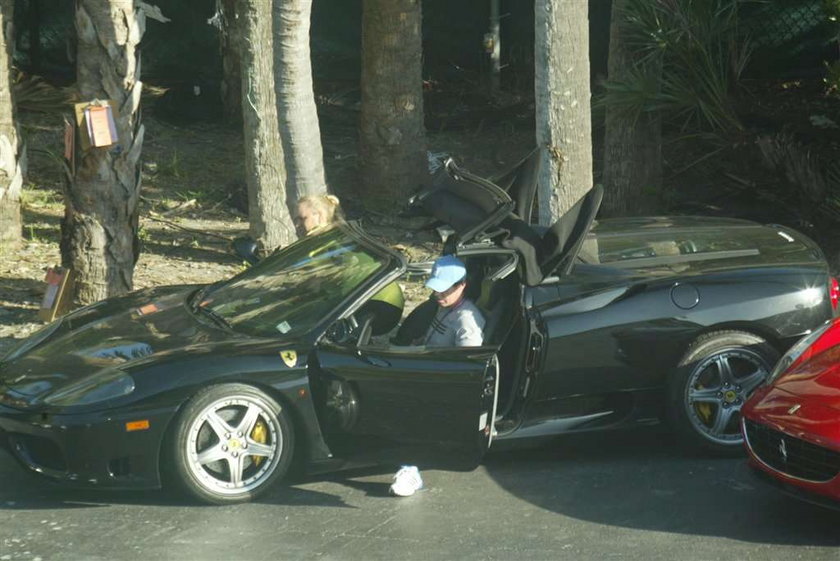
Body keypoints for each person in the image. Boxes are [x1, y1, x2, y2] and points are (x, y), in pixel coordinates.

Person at [390, 255, 485, 497]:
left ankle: (410, 471)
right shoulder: (445, 308)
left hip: (445, 385)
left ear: (462, 285)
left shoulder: (467, 321)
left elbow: (467, 368)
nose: (438, 295)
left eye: (444, 290)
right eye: (435, 290)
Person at [295, 194, 404, 336]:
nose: (297, 225)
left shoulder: (321, 246)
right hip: (391, 301)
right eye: (296, 219)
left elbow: (314, 286)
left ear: (320, 216)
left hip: (374, 308)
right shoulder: (342, 232)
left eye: (302, 218)